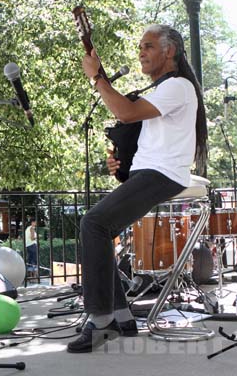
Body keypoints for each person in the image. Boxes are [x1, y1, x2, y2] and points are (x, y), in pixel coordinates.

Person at [66, 25, 207, 353]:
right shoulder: (161, 90)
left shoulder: (179, 86)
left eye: (148, 46)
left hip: (163, 175)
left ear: (169, 51)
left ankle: (100, 321)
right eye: (140, 46)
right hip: (149, 172)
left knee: (94, 223)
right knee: (100, 229)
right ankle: (121, 316)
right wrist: (122, 166)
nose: (141, 52)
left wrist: (98, 77)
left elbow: (125, 112)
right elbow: (144, 134)